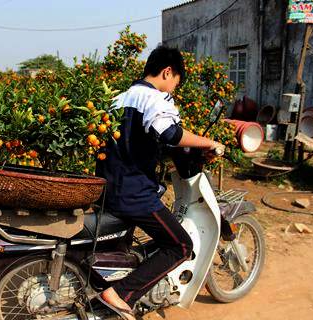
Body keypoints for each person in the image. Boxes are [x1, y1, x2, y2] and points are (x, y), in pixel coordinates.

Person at [96, 46, 224, 320]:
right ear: (168, 72)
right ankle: (121, 294)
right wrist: (209, 142)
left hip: (108, 189)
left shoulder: (119, 98)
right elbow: (169, 132)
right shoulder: (155, 99)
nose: (174, 91)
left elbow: (140, 141)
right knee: (180, 246)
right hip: (135, 195)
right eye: (175, 83)